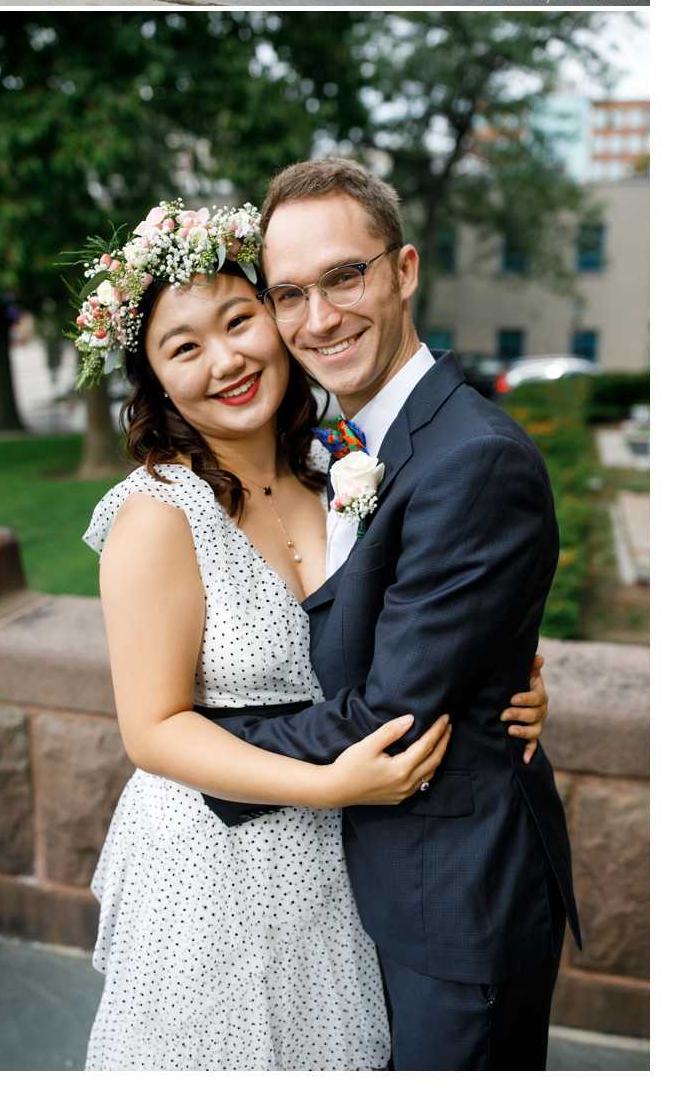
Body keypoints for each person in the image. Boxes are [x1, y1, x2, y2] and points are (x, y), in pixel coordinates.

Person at [71, 199, 555, 1070]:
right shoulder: (157, 516)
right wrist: (329, 787)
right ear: (152, 383)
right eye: (184, 348)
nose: (226, 360)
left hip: (347, 865)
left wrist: (496, 677)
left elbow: (421, 632)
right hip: (215, 864)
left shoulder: (340, 472)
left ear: (272, 320)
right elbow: (151, 729)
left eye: (239, 320)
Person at [205, 159, 580, 1069]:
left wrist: (194, 748)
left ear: (404, 270)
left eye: (345, 276)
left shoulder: (471, 459)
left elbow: (390, 711)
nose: (319, 318)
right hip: (371, 881)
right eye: (289, 293)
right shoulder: (339, 440)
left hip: (456, 902)